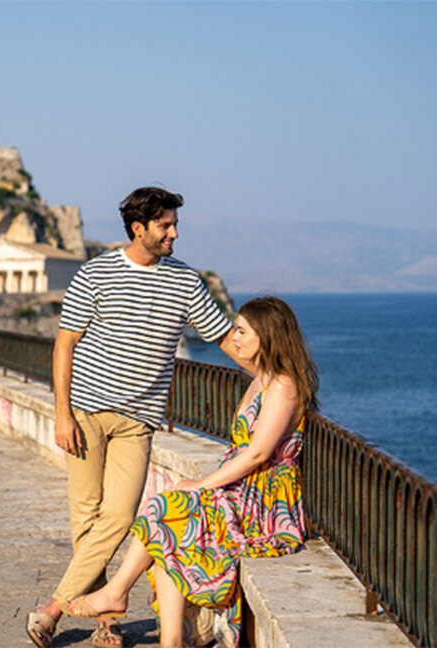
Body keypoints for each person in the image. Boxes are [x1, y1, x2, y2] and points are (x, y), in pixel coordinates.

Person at [27, 187, 242, 648]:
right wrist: (62, 415)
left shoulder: (185, 281)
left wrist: (274, 373)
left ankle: (53, 609)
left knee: (120, 515)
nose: (174, 233)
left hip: (137, 421)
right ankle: (107, 621)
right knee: (86, 518)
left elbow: (223, 337)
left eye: (175, 224)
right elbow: (65, 344)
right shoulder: (96, 273)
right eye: (165, 225)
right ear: (138, 228)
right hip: (85, 412)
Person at [51, 295, 317, 648]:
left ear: (267, 336)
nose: (234, 338)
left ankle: (118, 594)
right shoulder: (262, 379)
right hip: (242, 490)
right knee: (166, 524)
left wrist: (202, 485)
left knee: (165, 510)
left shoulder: (283, 385)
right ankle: (169, 637)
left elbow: (258, 453)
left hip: (262, 505)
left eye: (242, 331)